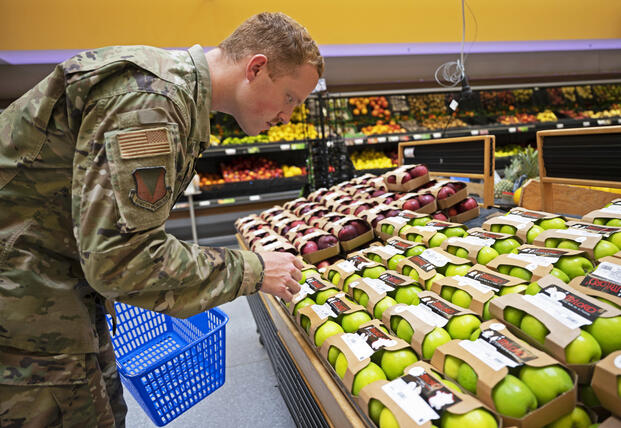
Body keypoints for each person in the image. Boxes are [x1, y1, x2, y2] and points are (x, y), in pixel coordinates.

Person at [0, 11, 324, 427]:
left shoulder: (170, 94)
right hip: (22, 299)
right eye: (291, 98)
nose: (288, 117)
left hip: (50, 282)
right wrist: (254, 270)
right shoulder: (150, 103)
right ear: (256, 68)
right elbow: (121, 259)